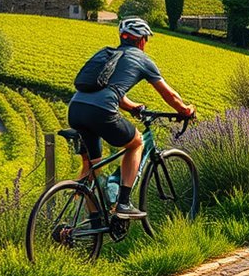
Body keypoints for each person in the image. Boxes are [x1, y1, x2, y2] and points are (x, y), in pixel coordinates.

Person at [68, 17, 195, 219]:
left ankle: (94, 225)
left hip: (75, 109)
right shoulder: (142, 59)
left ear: (123, 37)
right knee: (136, 143)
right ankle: (124, 204)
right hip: (101, 111)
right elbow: (169, 95)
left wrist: (131, 106)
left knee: (92, 166)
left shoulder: (107, 54)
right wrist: (186, 110)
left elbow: (107, 87)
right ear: (142, 40)